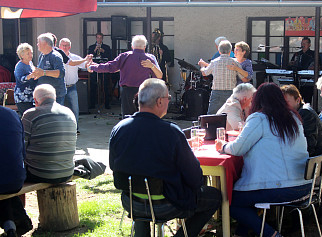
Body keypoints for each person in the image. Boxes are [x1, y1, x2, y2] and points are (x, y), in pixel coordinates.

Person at [109, 78, 221, 237]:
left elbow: (114, 166)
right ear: (160, 101)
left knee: (140, 183)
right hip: (166, 204)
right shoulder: (171, 132)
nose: (169, 101)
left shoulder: (118, 129)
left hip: (131, 201)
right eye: (168, 98)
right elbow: (195, 178)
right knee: (214, 196)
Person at [216, 83, 311, 237]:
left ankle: (271, 234)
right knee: (246, 195)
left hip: (280, 187)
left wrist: (222, 146)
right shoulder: (294, 117)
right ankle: (241, 234)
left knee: (230, 202)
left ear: (258, 100)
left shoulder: (259, 118)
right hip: (304, 185)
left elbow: (238, 148)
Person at [88, 35, 163, 118]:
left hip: (128, 91)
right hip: (144, 92)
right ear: (145, 46)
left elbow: (109, 67)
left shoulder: (125, 56)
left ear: (132, 46)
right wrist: (152, 66)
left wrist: (92, 67)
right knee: (144, 118)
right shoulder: (150, 58)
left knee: (127, 119)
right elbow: (159, 76)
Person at [22, 84, 77, 184]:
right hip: (67, 172)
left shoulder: (30, 114)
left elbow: (21, 147)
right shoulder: (69, 113)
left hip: (39, 173)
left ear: (35, 100)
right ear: (54, 97)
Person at [0, 106, 30, 237]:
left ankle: (12, 223)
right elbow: (22, 152)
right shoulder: (11, 114)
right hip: (15, 179)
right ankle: (10, 225)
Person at [281, 84, 322, 157]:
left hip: (317, 160)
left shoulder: (305, 113)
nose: (284, 105)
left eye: (287, 102)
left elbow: (309, 144)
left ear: (297, 100)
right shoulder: (299, 111)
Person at [198, 40, 242, 114]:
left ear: (219, 50)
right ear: (230, 51)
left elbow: (205, 73)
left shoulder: (214, 62)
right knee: (231, 115)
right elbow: (241, 76)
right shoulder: (235, 62)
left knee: (212, 116)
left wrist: (202, 66)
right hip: (231, 92)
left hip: (217, 92)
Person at [59, 37, 92, 134]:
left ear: (69, 47)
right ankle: (60, 129)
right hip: (60, 87)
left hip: (72, 86)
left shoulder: (74, 57)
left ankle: (75, 128)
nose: (65, 47)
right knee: (59, 108)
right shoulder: (57, 57)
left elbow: (85, 65)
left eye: (66, 46)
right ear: (59, 46)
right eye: (63, 45)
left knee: (74, 108)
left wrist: (89, 62)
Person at [28, 33, 66, 105]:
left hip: (56, 94)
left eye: (38, 42)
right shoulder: (42, 55)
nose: (37, 44)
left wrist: (43, 73)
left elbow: (61, 73)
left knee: (55, 115)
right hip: (44, 95)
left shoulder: (55, 56)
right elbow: (41, 71)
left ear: (45, 43)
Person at [88, 32, 112, 109]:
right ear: (96, 38)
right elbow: (88, 57)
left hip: (103, 68)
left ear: (102, 39)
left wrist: (103, 51)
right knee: (93, 85)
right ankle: (92, 104)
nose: (99, 39)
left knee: (105, 85)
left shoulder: (106, 47)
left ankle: (106, 104)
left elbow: (110, 58)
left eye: (100, 38)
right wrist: (95, 51)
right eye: (98, 38)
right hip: (95, 68)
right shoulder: (91, 47)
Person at [14, 43, 37, 116]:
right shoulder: (19, 66)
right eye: (28, 53)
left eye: (31, 53)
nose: (31, 55)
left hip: (31, 97)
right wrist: (30, 76)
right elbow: (20, 79)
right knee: (26, 117)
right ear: (22, 55)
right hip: (23, 98)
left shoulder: (30, 63)